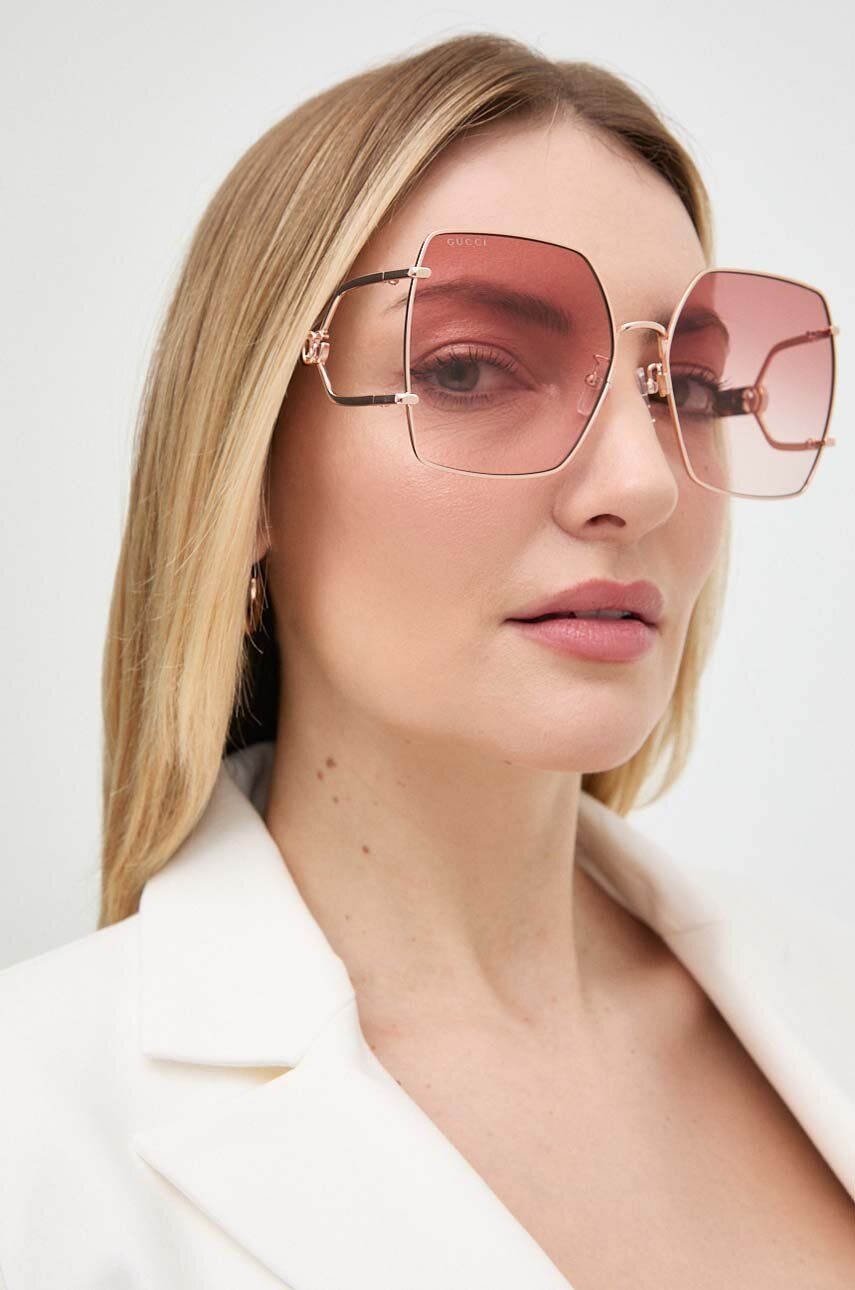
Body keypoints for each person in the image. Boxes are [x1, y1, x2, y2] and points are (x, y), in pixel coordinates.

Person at [0, 30, 852, 1290]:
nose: (642, 484)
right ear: (248, 477)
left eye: (687, 388)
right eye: (468, 369)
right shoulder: (35, 1143)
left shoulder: (829, 996)